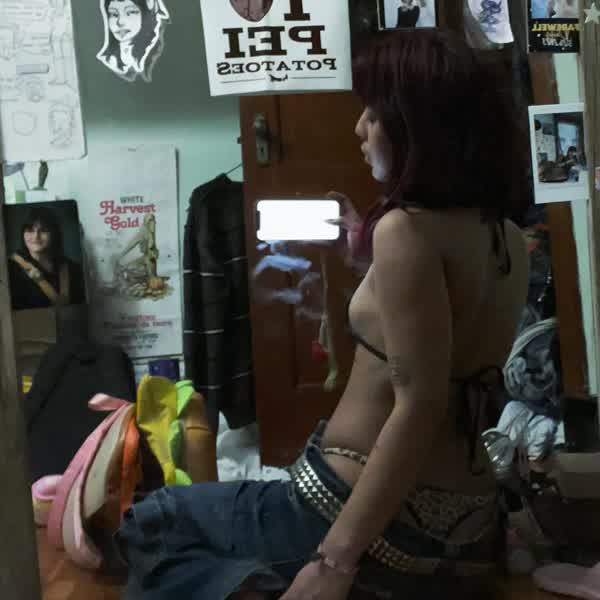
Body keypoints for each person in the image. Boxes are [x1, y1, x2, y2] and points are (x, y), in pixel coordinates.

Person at [116, 29, 529, 599]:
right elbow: (442, 338)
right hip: (471, 525)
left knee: (153, 519)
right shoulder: (505, 236)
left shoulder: (404, 231)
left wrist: (334, 563)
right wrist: (365, 265)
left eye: (374, 113)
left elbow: (421, 403)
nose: (359, 128)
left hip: (368, 518)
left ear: (418, 126)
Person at [8, 206, 85, 310]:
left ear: (54, 234)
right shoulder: (10, 269)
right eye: (30, 230)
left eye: (43, 230)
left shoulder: (74, 270)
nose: (36, 236)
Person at [98, 0, 167, 79]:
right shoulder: (107, 59)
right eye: (114, 14)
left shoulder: (156, 51)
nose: (120, 22)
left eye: (130, 12)